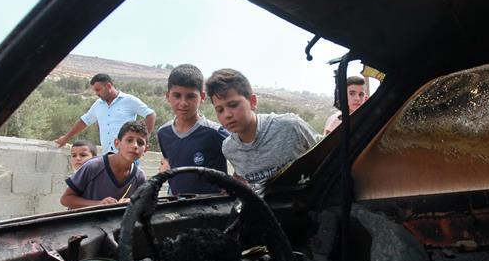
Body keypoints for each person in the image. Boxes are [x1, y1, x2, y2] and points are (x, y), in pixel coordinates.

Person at [205, 68, 317, 192]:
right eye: (220, 110)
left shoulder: (291, 126)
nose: (227, 115)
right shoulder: (229, 148)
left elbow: (327, 155)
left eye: (233, 105)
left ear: (252, 102)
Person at [157, 64, 229, 195]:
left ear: (202, 97)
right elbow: (168, 158)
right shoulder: (163, 133)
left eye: (190, 96)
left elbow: (245, 152)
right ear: (168, 96)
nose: (183, 103)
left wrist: (235, 182)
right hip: (177, 206)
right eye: (177, 96)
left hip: (213, 208)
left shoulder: (215, 133)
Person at [54, 73, 156, 154]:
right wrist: (66, 137)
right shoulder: (98, 105)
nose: (97, 94)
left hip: (128, 155)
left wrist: (144, 139)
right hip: (107, 155)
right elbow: (84, 121)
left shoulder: (129, 100)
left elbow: (150, 115)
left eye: (98, 90)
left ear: (108, 86)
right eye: (95, 91)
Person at [61, 120, 148, 209]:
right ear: (117, 143)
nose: (135, 146)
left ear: (145, 150)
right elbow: (66, 199)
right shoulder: (94, 167)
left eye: (140, 143)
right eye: (129, 140)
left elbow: (145, 204)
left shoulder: (139, 177)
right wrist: (99, 204)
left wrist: (133, 202)